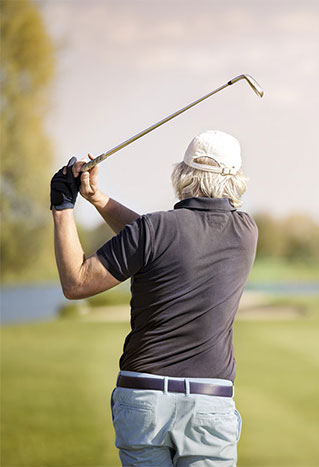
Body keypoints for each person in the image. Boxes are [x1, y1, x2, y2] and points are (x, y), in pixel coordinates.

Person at [50, 130, 258, 466]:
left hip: (143, 397)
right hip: (209, 403)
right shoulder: (246, 231)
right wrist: (99, 198)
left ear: (182, 174)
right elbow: (155, 241)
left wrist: (63, 207)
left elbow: (77, 282)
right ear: (235, 180)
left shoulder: (154, 230)